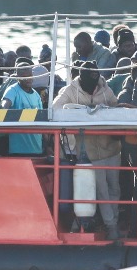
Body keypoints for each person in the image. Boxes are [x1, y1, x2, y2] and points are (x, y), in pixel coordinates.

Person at [52, 61, 123, 239]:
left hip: (112, 148)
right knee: (102, 191)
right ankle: (111, 225)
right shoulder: (70, 90)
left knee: (115, 188)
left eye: (96, 76)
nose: (94, 80)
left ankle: (112, 220)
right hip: (90, 151)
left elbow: (116, 108)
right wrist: (80, 113)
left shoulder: (106, 89)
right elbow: (55, 109)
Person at [1, 58, 44, 155]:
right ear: (17, 77)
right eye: (24, 77)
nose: (28, 79)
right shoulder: (12, 90)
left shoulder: (36, 95)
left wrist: (48, 146)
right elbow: (5, 105)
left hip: (37, 148)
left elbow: (42, 119)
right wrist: (5, 107)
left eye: (30, 76)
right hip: (18, 149)